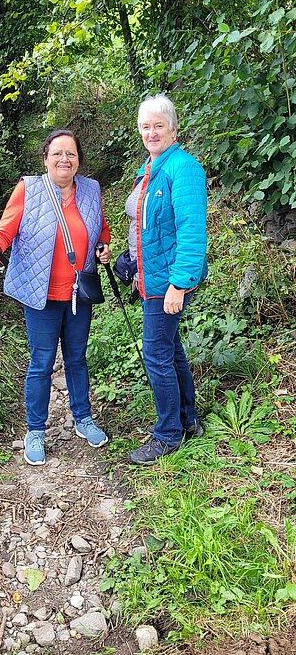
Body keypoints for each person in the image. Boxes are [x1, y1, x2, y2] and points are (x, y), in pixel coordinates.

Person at [0, 129, 111, 467]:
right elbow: (6, 228)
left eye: (71, 154)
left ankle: (83, 418)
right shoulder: (29, 189)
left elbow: (100, 228)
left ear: (79, 160)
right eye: (57, 153)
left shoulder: (91, 190)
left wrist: (103, 246)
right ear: (45, 159)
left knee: (77, 359)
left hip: (79, 293)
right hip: (42, 295)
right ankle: (35, 430)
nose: (65, 159)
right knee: (42, 363)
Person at [125, 94, 207, 465]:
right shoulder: (150, 168)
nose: (152, 132)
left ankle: (168, 435)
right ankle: (188, 420)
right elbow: (147, 227)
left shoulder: (183, 168)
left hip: (167, 283)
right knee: (171, 351)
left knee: (156, 355)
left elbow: (191, 231)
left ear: (173, 128)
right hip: (152, 277)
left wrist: (180, 283)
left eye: (159, 125)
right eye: (146, 126)